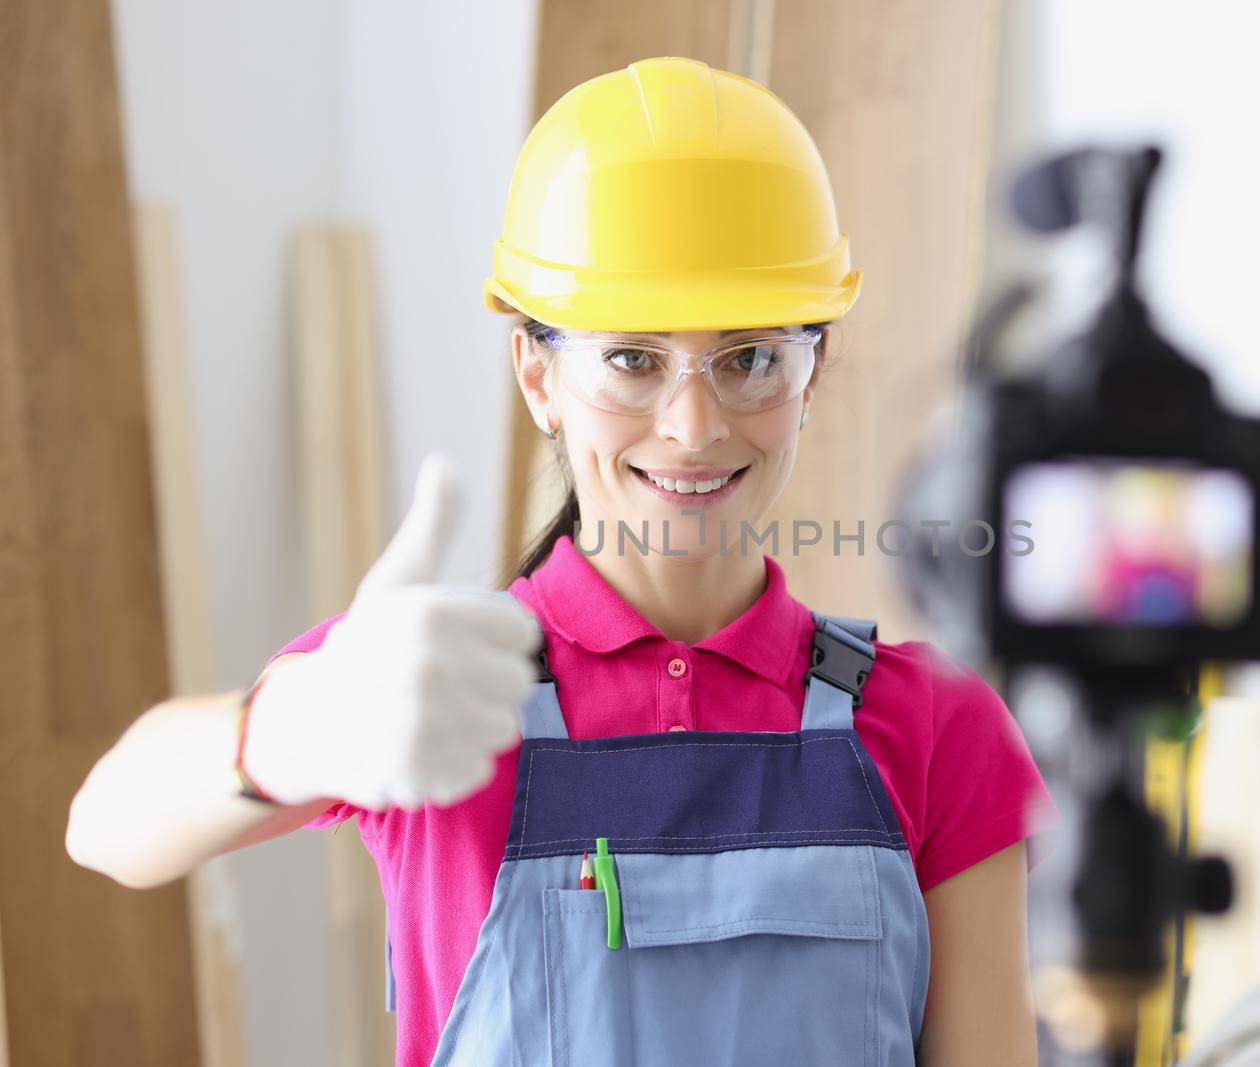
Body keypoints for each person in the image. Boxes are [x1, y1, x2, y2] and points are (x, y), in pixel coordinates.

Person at [66, 56, 1058, 1066]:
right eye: (631, 358)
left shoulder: (934, 726)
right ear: (537, 374)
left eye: (750, 356)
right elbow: (105, 824)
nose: (692, 423)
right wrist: (293, 726)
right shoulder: (435, 684)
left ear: (810, 376)